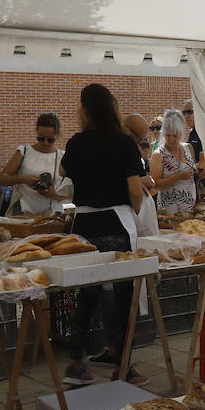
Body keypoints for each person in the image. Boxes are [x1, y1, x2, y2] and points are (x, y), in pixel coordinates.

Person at [58, 84, 147, 387]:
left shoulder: (75, 143)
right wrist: (137, 209)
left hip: (83, 225)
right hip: (115, 223)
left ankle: (75, 363)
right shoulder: (123, 143)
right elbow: (136, 190)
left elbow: (62, 172)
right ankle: (123, 366)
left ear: (85, 109)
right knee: (123, 296)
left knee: (87, 294)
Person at [0, 114, 69, 216]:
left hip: (51, 216)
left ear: (58, 135)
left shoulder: (63, 157)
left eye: (51, 140)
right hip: (24, 213)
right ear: (36, 132)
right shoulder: (24, 152)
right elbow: (0, 180)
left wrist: (54, 195)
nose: (45, 143)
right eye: (41, 138)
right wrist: (23, 179)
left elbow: (74, 193)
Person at [152, 109, 198, 217]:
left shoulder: (188, 148)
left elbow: (194, 176)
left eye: (175, 135)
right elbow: (156, 184)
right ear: (163, 133)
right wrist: (179, 176)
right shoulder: (158, 154)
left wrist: (200, 173)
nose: (172, 139)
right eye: (168, 135)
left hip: (190, 210)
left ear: (181, 133)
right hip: (169, 212)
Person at [122, 113, 159, 240]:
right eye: (139, 138)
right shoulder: (124, 146)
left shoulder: (130, 147)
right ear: (126, 129)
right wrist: (139, 183)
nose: (139, 142)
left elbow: (146, 181)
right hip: (129, 212)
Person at [182, 101, 205, 201]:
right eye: (184, 113)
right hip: (195, 185)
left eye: (190, 112)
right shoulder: (192, 132)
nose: (186, 116)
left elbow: (203, 161)